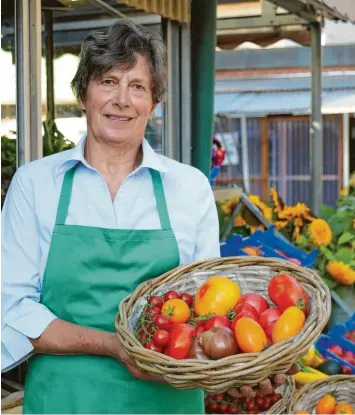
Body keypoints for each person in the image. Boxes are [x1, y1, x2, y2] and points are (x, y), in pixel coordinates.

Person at [2, 20, 295, 414]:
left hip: (167, 400)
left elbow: (212, 309)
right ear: (83, 94)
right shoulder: (36, 184)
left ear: (153, 103)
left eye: (137, 86)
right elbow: (13, 307)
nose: (121, 99)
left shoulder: (188, 187)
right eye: (108, 81)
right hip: (65, 399)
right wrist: (112, 345)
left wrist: (244, 365)